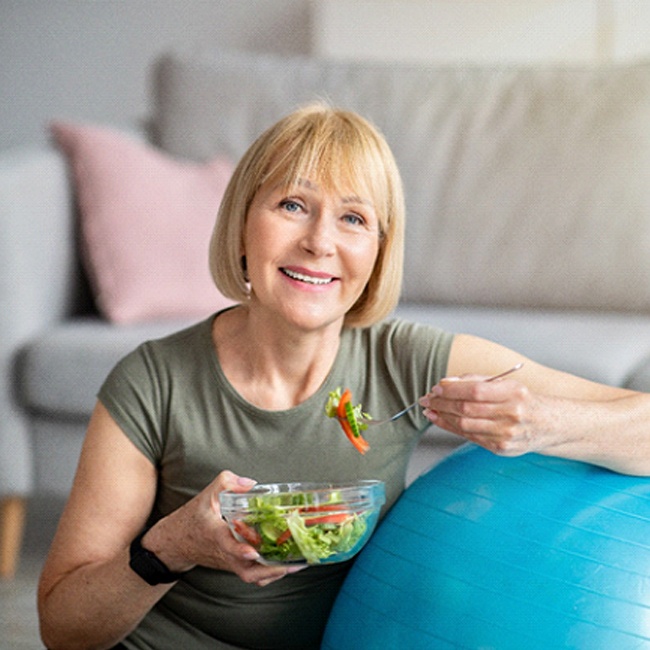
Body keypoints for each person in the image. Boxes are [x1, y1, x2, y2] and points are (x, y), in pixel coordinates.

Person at [38, 103, 650, 650]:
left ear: (380, 251)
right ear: (243, 226)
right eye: (292, 205)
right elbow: (63, 628)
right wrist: (172, 546)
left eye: (354, 219)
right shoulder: (152, 382)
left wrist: (548, 423)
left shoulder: (405, 360)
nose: (319, 242)